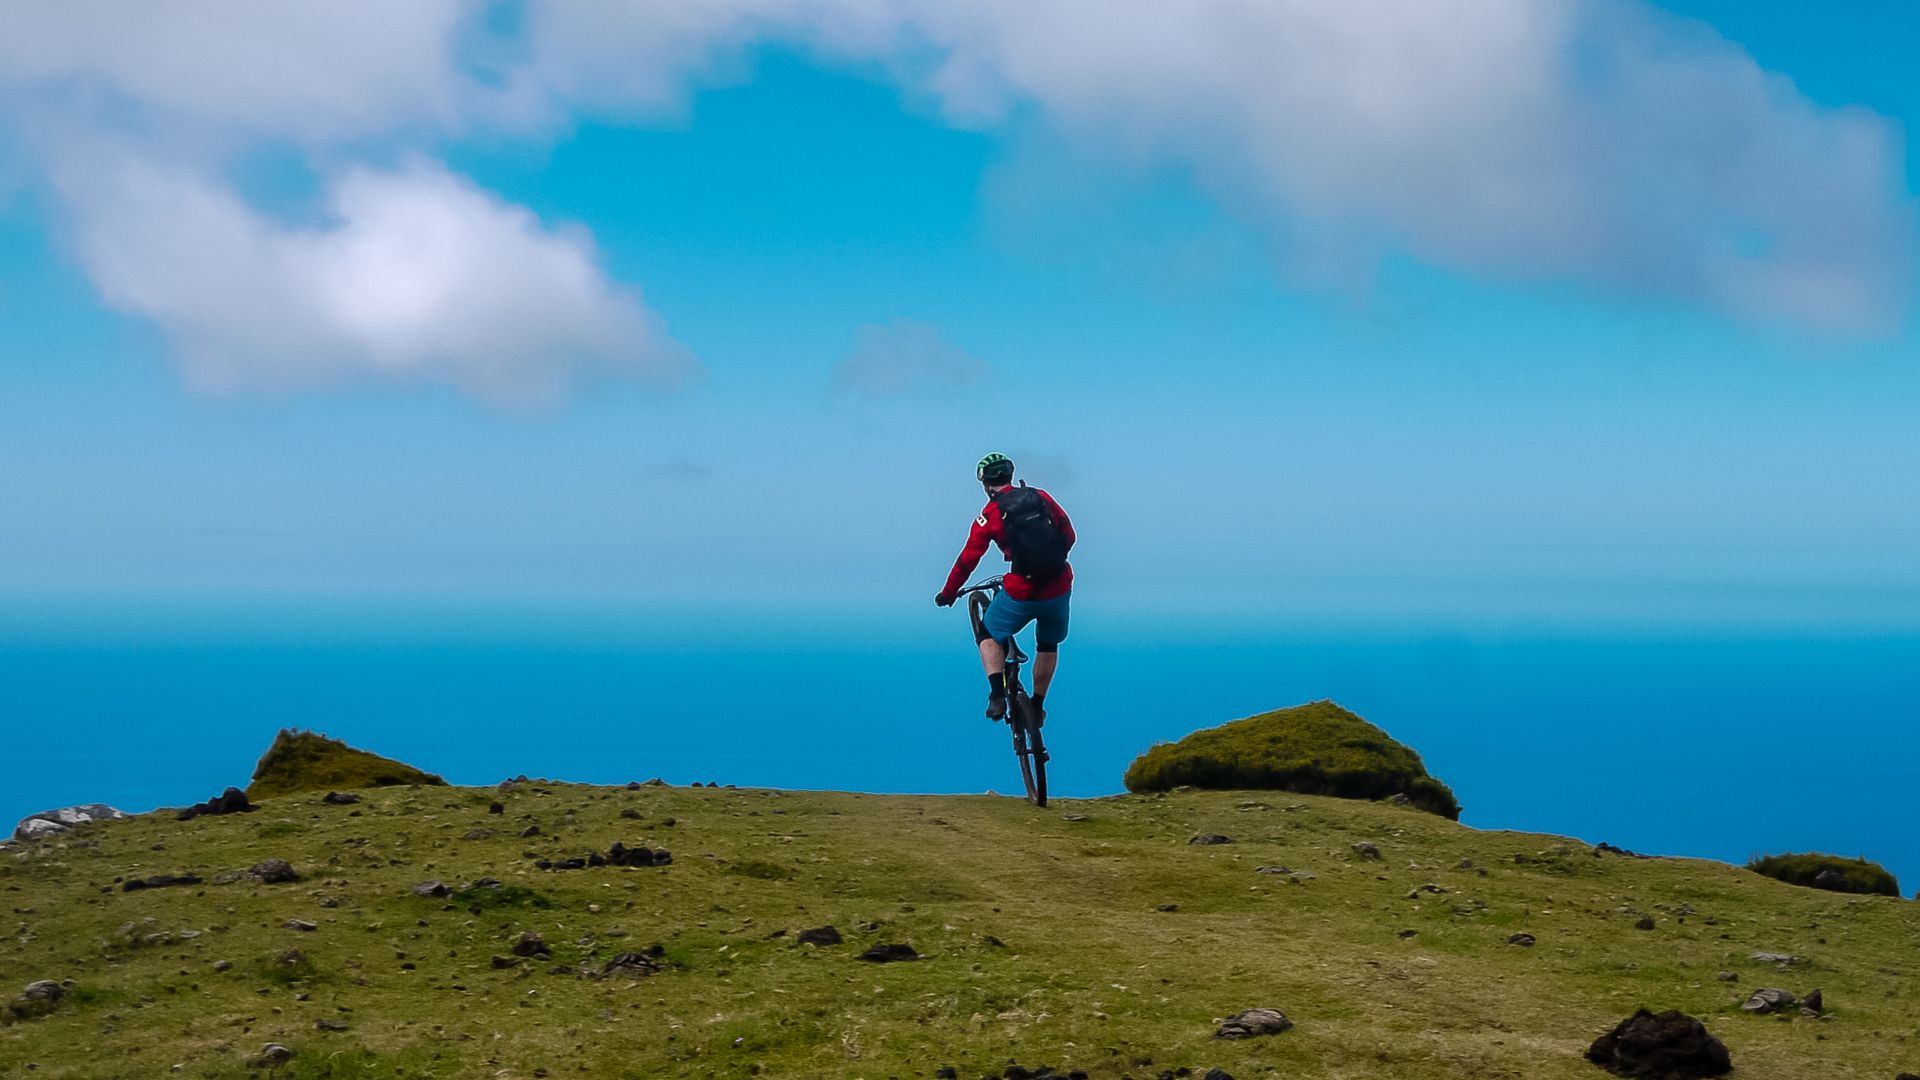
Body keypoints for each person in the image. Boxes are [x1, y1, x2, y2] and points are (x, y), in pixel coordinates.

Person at [934, 453, 1076, 722]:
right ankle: (1037, 705)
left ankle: (997, 695)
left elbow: (968, 560)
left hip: (1022, 590)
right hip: (1059, 587)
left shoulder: (989, 516)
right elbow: (1069, 535)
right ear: (1009, 475)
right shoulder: (1041, 497)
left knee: (987, 633)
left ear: (986, 483)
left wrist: (948, 593)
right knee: (1047, 644)